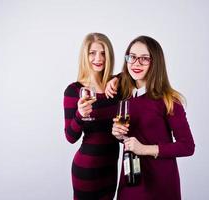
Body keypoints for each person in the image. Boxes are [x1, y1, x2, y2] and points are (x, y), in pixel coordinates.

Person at [110, 36, 195, 200]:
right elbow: (132, 136)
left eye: (144, 59)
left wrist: (145, 149)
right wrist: (119, 135)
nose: (136, 63)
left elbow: (187, 146)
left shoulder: (169, 100)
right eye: (132, 57)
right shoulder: (125, 96)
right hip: (130, 180)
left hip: (159, 184)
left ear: (155, 63)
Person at [63, 33, 120, 200]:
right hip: (87, 169)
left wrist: (117, 78)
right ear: (85, 56)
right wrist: (80, 115)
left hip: (111, 168)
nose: (98, 58)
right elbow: (70, 137)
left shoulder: (115, 87)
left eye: (103, 53)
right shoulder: (73, 91)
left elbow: (135, 75)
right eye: (92, 53)